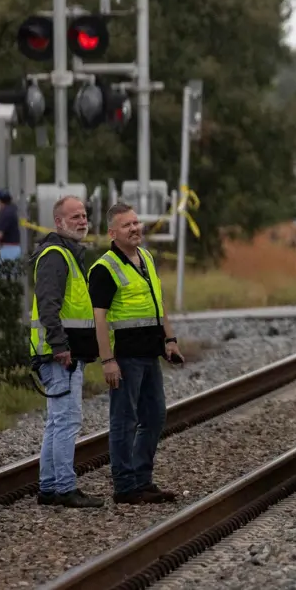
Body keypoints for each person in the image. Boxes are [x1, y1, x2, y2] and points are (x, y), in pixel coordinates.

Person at [90, 203, 181, 504]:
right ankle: (125, 486)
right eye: (127, 225)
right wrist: (108, 360)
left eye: (136, 222)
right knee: (124, 420)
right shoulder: (104, 268)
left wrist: (170, 339)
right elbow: (99, 318)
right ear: (112, 233)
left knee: (154, 416)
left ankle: (142, 479)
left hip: (150, 352)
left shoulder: (146, 257)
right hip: (125, 356)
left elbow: (158, 302)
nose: (135, 228)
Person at [29, 196, 104, 507]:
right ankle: (64, 488)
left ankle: (49, 488)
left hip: (64, 354)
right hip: (61, 356)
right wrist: (60, 346)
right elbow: (49, 306)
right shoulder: (56, 256)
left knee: (57, 421)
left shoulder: (69, 254)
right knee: (67, 421)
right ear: (58, 222)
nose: (82, 221)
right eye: (75, 217)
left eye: (84, 215)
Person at [0, 189, 21, 262]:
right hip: (13, 248)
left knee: (5, 268)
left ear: (0, 201)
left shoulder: (5, 213)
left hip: (8, 249)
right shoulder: (12, 209)